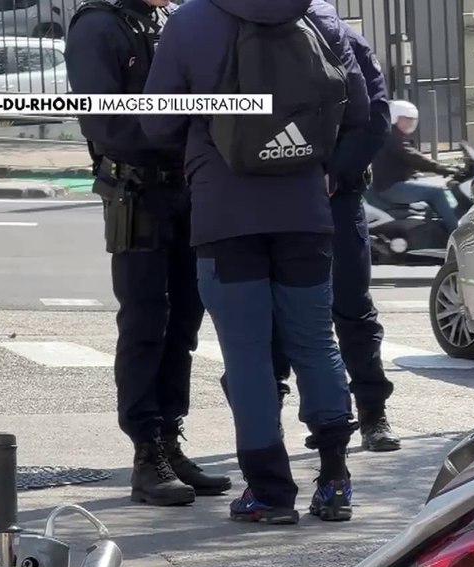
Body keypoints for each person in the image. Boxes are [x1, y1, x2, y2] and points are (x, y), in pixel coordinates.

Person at [142, 0, 372, 525]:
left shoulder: (192, 21)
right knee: (316, 340)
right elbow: (358, 113)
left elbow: (157, 124)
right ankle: (335, 481)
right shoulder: (320, 16)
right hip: (305, 210)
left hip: (225, 212)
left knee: (246, 355)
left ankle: (269, 492)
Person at [65, 0, 232, 507]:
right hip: (136, 192)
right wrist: (178, 135)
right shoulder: (98, 25)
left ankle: (169, 439)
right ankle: (145, 452)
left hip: (187, 187)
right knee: (144, 322)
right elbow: (106, 123)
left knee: (184, 321)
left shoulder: (165, 19)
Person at [268, 21, 400, 453]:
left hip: (336, 196)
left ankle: (371, 413)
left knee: (351, 307)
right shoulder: (246, 32)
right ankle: (268, 423)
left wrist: (335, 171)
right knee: (273, 315)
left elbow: (376, 115)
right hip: (274, 193)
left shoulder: (339, 35)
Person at [370, 99, 460, 234]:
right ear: (395, 117)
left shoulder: (392, 135)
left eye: (412, 119)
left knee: (430, 192)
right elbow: (415, 158)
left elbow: (407, 161)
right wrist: (442, 169)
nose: (410, 123)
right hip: (392, 187)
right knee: (437, 192)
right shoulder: (393, 138)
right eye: (406, 119)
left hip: (392, 184)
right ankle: (457, 233)